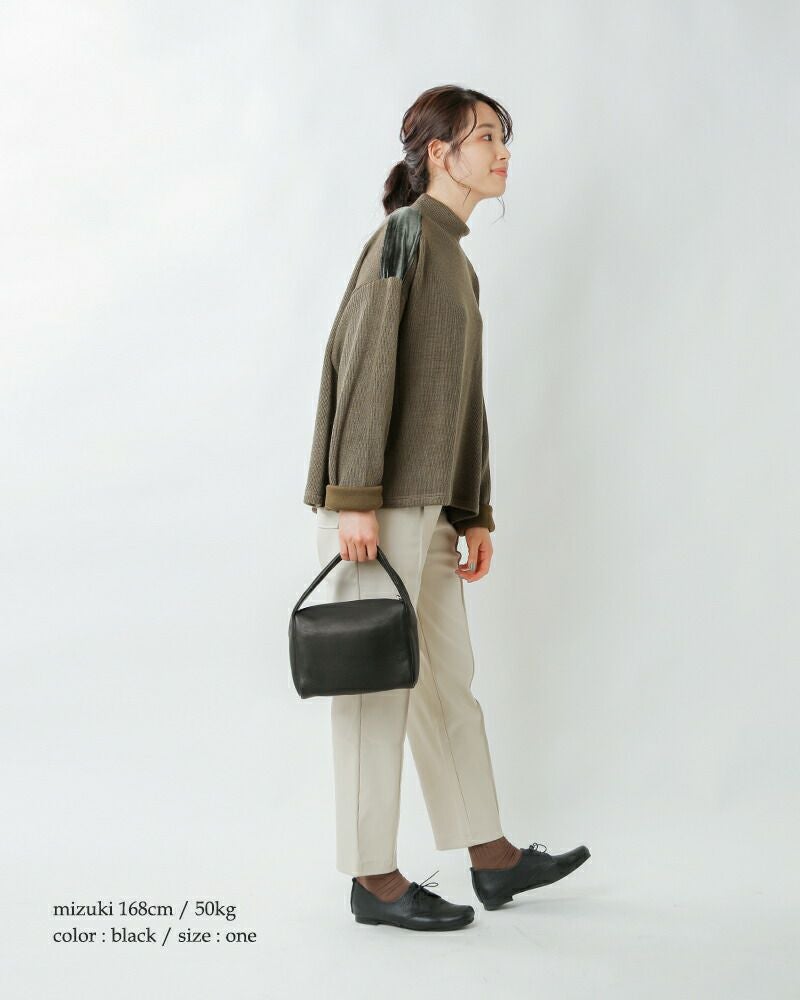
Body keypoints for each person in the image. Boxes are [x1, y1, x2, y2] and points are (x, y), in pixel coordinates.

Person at [303, 84, 590, 931]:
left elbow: (459, 400)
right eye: (487, 137)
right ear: (440, 153)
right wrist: (354, 499)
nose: (503, 153)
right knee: (374, 692)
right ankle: (373, 879)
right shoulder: (404, 237)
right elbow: (364, 362)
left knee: (445, 686)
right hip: (377, 507)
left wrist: (474, 511)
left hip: (426, 509)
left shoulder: (455, 258)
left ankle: (491, 857)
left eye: (503, 139)